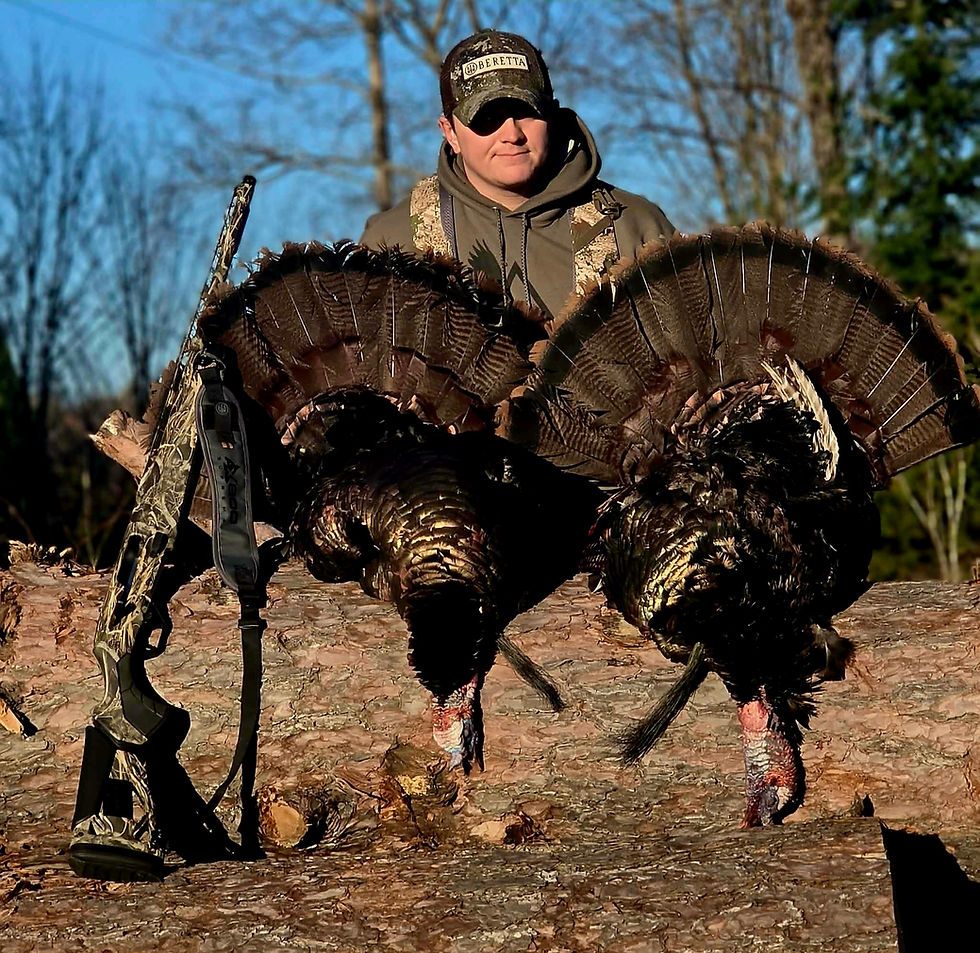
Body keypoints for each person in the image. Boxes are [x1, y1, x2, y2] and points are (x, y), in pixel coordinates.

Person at [360, 29, 675, 320]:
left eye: (526, 111)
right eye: (487, 118)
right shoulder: (393, 243)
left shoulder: (633, 228)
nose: (511, 133)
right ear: (451, 132)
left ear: (552, 114)